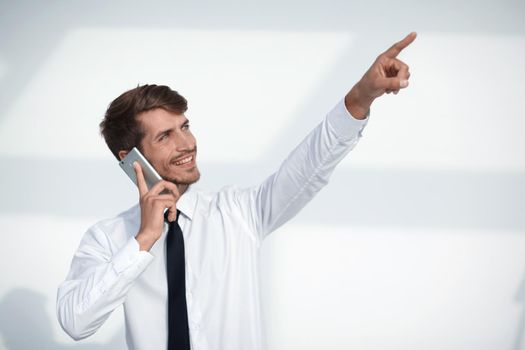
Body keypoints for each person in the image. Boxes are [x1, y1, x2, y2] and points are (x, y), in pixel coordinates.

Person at [57, 32, 417, 350]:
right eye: (165, 136)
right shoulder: (108, 239)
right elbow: (75, 322)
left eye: (185, 126)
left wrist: (360, 98)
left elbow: (311, 164)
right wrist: (144, 240)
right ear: (130, 159)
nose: (187, 144)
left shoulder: (240, 212)